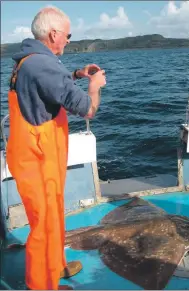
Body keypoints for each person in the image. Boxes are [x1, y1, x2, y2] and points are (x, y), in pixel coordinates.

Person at [6, 5, 106, 290]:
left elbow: (49, 84)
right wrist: (95, 86)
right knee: (43, 225)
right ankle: (40, 285)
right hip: (37, 159)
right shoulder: (43, 64)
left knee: (52, 216)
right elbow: (87, 110)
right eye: (68, 35)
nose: (69, 40)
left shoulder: (30, 59)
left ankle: (53, 269)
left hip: (35, 155)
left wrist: (76, 73)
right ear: (53, 34)